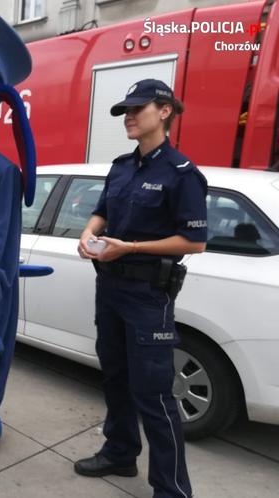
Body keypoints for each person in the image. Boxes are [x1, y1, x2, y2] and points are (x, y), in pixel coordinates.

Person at [74, 79, 207, 498]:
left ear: (165, 111)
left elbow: (195, 241)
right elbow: (100, 212)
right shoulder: (121, 167)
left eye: (137, 108)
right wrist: (88, 233)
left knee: (153, 394)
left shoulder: (182, 174)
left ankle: (172, 490)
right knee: (114, 377)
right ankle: (120, 452)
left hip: (149, 297)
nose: (129, 117)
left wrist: (129, 247)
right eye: (124, 111)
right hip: (110, 288)